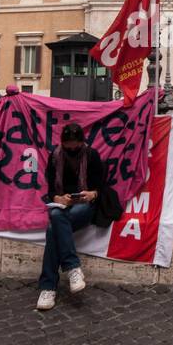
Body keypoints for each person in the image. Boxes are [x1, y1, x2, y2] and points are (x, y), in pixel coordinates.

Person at [37, 123, 105, 311]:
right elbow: (51, 190)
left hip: (85, 206)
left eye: (76, 145)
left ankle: (48, 287)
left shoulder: (92, 155)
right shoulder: (55, 156)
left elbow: (100, 187)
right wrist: (59, 198)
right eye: (69, 146)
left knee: (54, 226)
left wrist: (92, 194)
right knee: (56, 219)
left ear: (82, 142)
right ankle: (72, 268)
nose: (73, 149)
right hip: (63, 205)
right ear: (63, 143)